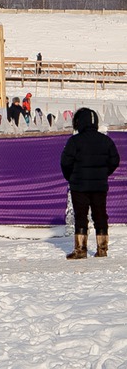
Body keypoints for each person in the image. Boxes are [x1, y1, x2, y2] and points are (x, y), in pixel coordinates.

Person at [61, 107, 119, 259]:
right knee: (100, 215)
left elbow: (65, 162)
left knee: (81, 216)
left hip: (79, 186)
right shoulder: (106, 140)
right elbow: (115, 160)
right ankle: (102, 249)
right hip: (99, 186)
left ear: (78, 122)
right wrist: (103, 174)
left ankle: (80, 250)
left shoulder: (74, 141)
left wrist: (71, 177)